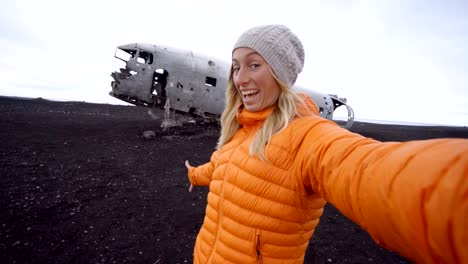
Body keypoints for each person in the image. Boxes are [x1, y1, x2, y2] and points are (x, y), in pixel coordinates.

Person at [185, 24, 467, 264]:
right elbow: (221, 167)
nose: (240, 78)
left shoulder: (309, 137)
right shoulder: (241, 130)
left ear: (281, 75)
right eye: (236, 67)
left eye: (254, 65)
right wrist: (194, 174)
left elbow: (370, 172)